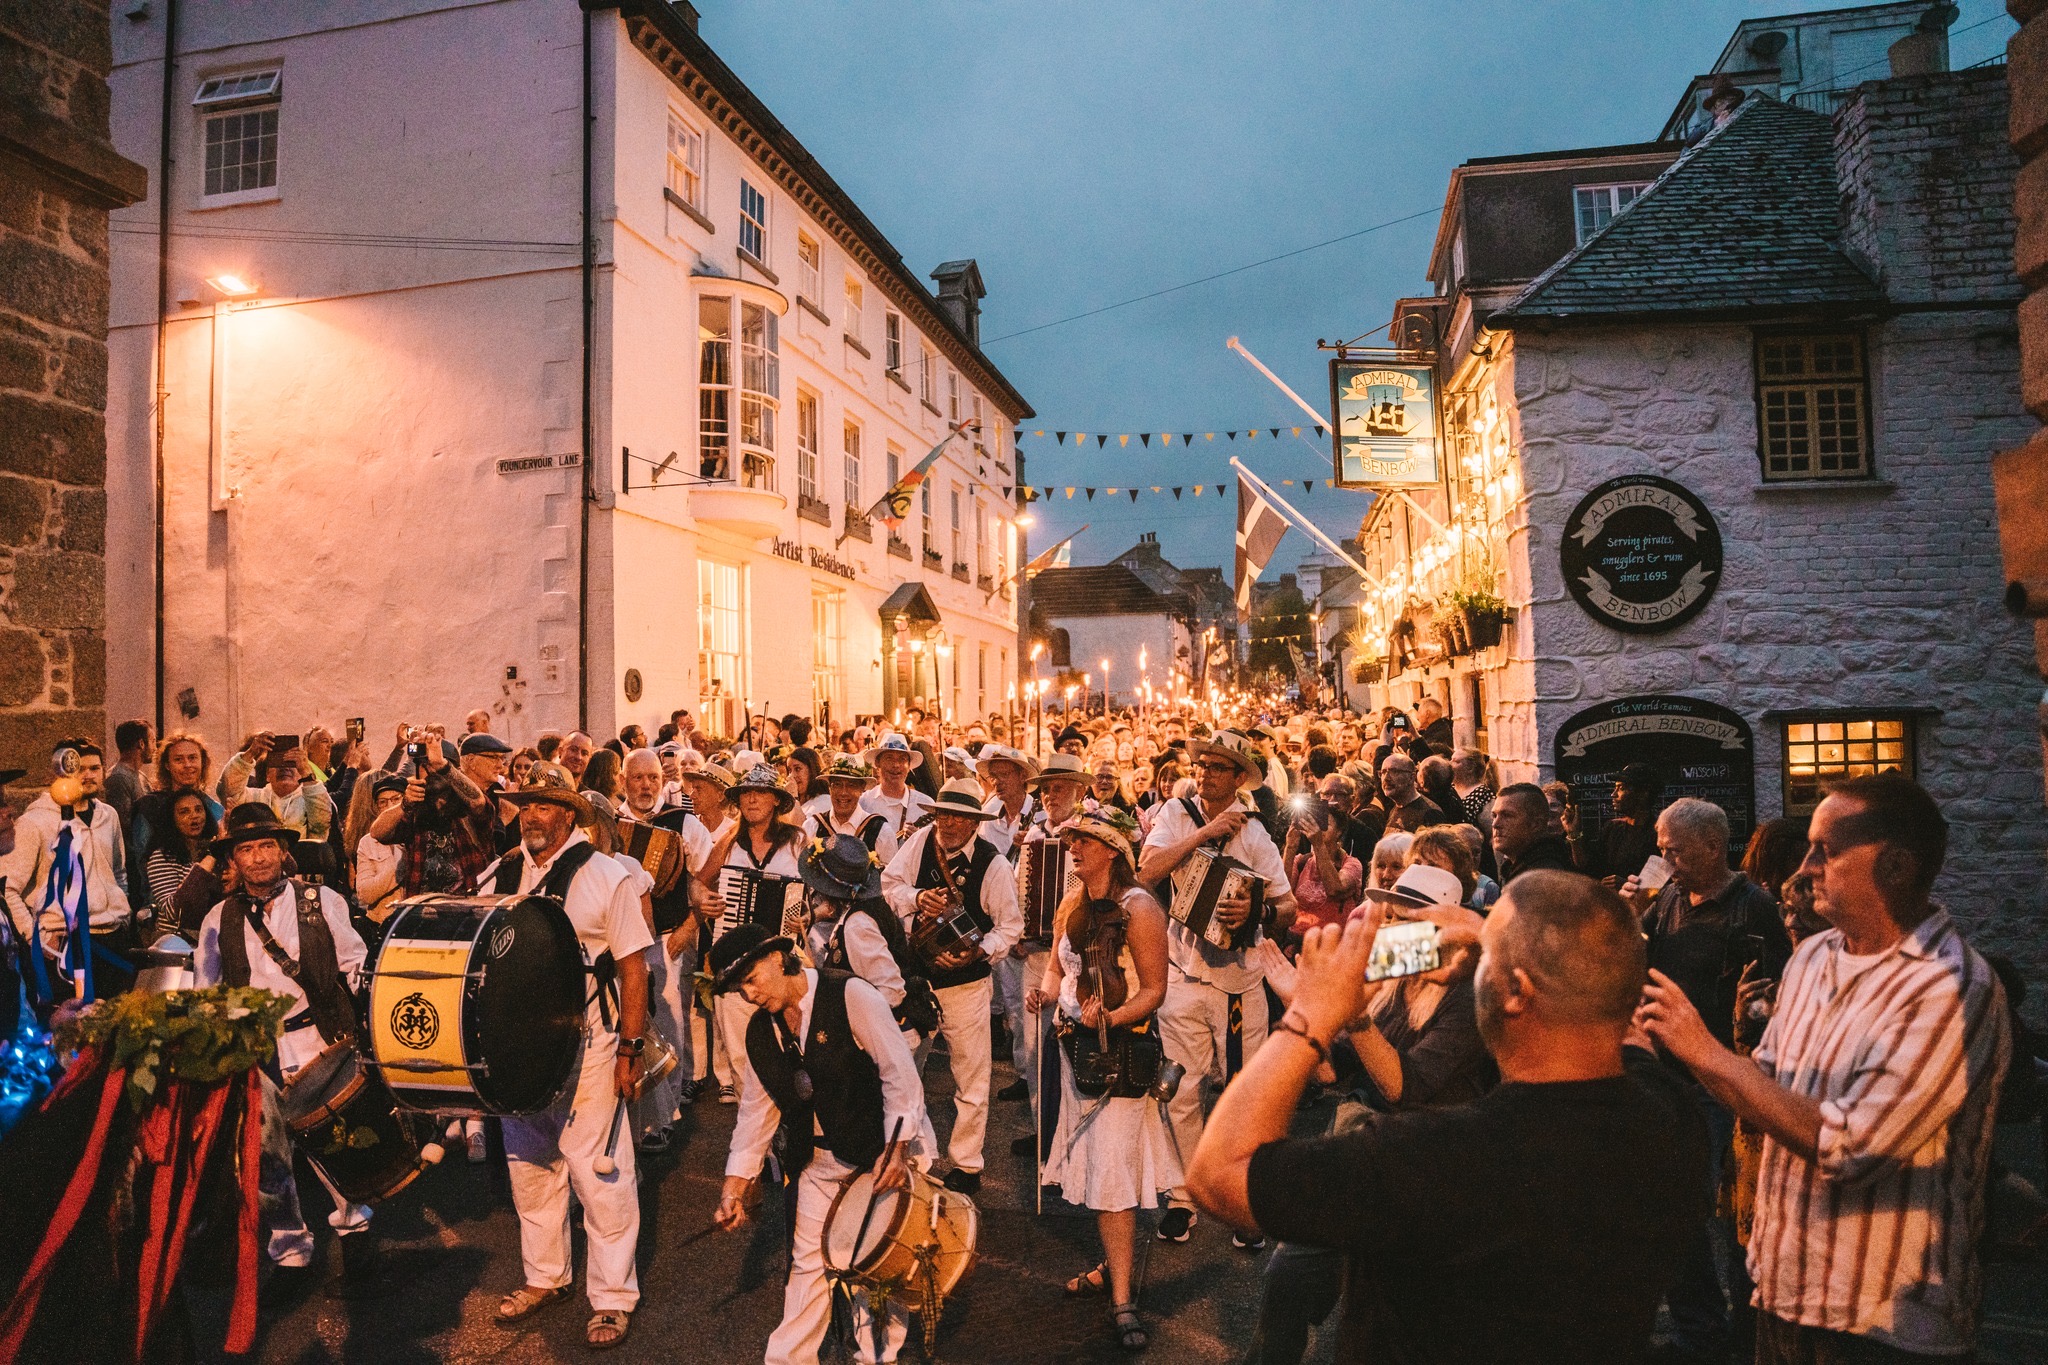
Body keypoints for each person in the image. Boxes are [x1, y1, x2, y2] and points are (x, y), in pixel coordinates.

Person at [1187, 870, 1710, 1364]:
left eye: (1488, 962)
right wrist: (1494, 940)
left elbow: (1216, 1176)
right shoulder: (1671, 1115)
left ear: (1516, 993)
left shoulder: (1431, 1157)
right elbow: (1615, 1019)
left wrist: (1310, 1014)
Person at [1641, 774, 2011, 1365]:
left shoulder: (1947, 986)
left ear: (1895, 866)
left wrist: (1703, 1049)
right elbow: (1762, 1088)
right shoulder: (1816, 955)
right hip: (1786, 1295)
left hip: (1879, 1321)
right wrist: (1651, 1044)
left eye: (1825, 851)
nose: (1803, 867)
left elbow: (1852, 1145)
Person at [1244, 860, 1493, 1365]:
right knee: (1287, 1279)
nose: (1387, 929)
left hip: (1433, 1175)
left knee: (1390, 1325)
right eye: (1389, 915)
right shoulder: (1393, 974)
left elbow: (1407, 1087)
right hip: (1371, 1155)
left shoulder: (1467, 996)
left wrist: (1352, 1016)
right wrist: (1304, 1013)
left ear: (1442, 930)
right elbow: (1332, 1071)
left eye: (1404, 920)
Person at [484, 762, 652, 1351]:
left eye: (544, 805)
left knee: (598, 1169)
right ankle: (545, 1276)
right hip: (517, 1051)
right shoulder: (503, 873)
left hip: (591, 1042)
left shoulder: (608, 875)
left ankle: (610, 1297)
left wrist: (629, 1050)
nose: (531, 814)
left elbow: (634, 970)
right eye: (525, 804)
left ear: (569, 814)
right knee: (531, 1168)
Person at [709, 922, 930, 1365]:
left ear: (779, 957)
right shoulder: (760, 1032)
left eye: (751, 980)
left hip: (880, 1150)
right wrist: (735, 1186)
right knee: (808, 1266)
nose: (749, 995)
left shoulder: (852, 995)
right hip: (819, 1160)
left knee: (877, 1269)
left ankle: (877, 1358)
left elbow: (899, 1075)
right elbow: (757, 1112)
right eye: (739, 989)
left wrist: (897, 1148)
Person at [1622, 798, 1791, 1365]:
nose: (1664, 856)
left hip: (1720, 1076)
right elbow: (1633, 958)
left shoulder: (1752, 908)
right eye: (1661, 846)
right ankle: (1701, 1329)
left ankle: (1738, 1334)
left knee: (1726, 1212)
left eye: (1675, 848)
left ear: (1714, 847)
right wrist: (1627, 915)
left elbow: (1767, 998)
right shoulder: (1667, 894)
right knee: (1676, 1209)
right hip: (1667, 1069)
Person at [192, 803, 379, 1283]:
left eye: (266, 847)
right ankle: (289, 1248)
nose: (257, 858)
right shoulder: (218, 918)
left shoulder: (322, 900)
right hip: (260, 1051)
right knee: (268, 1156)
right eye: (246, 849)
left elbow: (355, 964)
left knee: (337, 1142)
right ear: (233, 858)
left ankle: (355, 1231)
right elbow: (206, 991)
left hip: (322, 1041)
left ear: (283, 851)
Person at [1137, 728, 1298, 1245]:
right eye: (1202, 764)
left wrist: (1258, 910)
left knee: (1242, 1090)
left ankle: (1243, 1199)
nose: (1204, 773)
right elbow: (1146, 872)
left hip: (1238, 979)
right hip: (1183, 971)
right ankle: (1184, 1196)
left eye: (1217, 767)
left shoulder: (1254, 834)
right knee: (1182, 1089)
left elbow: (1288, 906)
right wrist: (1203, 836)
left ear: (1237, 778)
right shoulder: (1174, 814)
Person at [1028, 808, 1178, 1354]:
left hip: (1118, 1056)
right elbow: (1057, 968)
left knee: (1113, 1175)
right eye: (1070, 839)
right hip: (1074, 1051)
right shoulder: (1072, 899)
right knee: (1098, 1170)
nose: (1071, 847)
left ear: (1112, 849)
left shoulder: (1140, 908)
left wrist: (1110, 1019)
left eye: (1083, 840)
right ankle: (1110, 1267)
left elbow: (1154, 990)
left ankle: (1121, 1298)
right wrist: (1045, 995)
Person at [881, 778, 1020, 1194]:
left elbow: (1011, 926)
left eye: (960, 816)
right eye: (944, 814)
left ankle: (967, 1165)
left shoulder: (993, 864)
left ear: (975, 822)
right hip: (916, 981)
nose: (950, 823)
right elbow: (889, 885)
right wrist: (917, 898)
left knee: (971, 1077)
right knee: (902, 1067)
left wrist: (977, 952)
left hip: (966, 987)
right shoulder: (921, 841)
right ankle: (903, 1153)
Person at [615, 747, 716, 1154]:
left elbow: (707, 879)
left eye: (653, 778)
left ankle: (665, 1116)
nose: (646, 785)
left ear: (663, 780)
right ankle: (632, 1112)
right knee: (630, 1024)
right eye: (637, 777)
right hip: (620, 943)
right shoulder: (609, 823)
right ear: (623, 781)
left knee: (670, 1023)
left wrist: (689, 929)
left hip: (668, 937)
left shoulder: (684, 823)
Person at [697, 764, 810, 1105]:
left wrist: (809, 914)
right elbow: (697, 881)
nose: (752, 799)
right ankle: (755, 1141)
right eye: (746, 793)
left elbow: (824, 894)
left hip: (785, 962)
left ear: (777, 801)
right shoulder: (728, 844)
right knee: (741, 1056)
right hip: (738, 966)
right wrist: (704, 901)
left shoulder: (798, 843)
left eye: (760, 792)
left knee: (793, 1048)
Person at [999, 751, 1092, 1151]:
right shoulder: (1034, 837)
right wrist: (1017, 930)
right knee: (1034, 1044)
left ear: (1079, 790)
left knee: (1076, 1046)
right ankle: (1045, 1133)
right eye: (1048, 789)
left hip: (1081, 959)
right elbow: (1020, 888)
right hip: (1037, 954)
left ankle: (1078, 1135)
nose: (1052, 795)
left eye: (1060, 787)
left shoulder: (1093, 831)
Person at [1, 739, 134, 1001]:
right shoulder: (35, 822)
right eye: (79, 769)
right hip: (65, 943)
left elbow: (119, 873)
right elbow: (7, 887)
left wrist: (122, 912)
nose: (87, 775)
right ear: (60, 773)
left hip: (112, 939)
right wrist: (35, 937)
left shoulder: (109, 816)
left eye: (94, 768)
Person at [126, 732, 220, 902]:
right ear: (167, 765)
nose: (187, 765)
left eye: (193, 758)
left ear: (202, 762)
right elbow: (141, 864)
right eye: (179, 760)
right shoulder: (148, 807)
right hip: (164, 902)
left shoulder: (214, 809)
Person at [1282, 787, 1362, 934]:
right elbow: (1281, 890)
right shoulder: (1302, 861)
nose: (1318, 829)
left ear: (1339, 832)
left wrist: (1318, 845)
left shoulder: (1351, 864)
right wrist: (1290, 847)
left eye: (1325, 825)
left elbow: (1335, 889)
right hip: (1298, 939)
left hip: (1332, 941)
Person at [1569, 763, 1661, 885]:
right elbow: (1588, 868)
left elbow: (1662, 885)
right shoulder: (1612, 829)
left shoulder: (1660, 834)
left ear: (1644, 793)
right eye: (1615, 788)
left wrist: (1626, 885)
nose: (1613, 794)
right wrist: (1573, 832)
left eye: (1621, 788)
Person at [140, 788, 217, 922]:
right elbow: (172, 912)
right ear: (172, 819)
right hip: (178, 938)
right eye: (184, 812)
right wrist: (210, 860)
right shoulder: (161, 857)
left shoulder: (213, 849)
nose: (194, 816)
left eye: (199, 810)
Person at [1491, 783, 1576, 883]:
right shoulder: (1517, 868)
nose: (1495, 824)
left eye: (1507, 815)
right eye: (1494, 816)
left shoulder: (1543, 876)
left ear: (1535, 824)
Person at [858, 734, 934, 842]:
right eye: (889, 758)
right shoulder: (864, 802)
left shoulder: (925, 805)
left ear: (909, 766)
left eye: (902, 759)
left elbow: (936, 848)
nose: (896, 765)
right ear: (877, 763)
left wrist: (920, 840)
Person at [976, 745, 1039, 857]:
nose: (996, 782)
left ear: (1022, 776)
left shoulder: (1040, 817)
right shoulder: (990, 823)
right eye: (993, 776)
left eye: (1004, 774)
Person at [1372, 752, 1456, 834]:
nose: (1386, 778)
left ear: (1412, 777)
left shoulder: (1430, 814)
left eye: (1394, 771)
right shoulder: (1396, 808)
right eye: (1383, 772)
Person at [104, 719, 153, 830]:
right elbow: (123, 825)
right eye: (153, 741)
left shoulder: (141, 776)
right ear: (141, 744)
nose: (155, 748)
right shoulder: (118, 778)